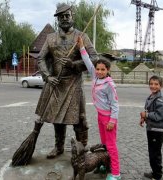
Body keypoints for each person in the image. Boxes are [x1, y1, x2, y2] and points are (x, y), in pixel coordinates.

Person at [35, 3, 98, 159]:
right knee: (57, 119)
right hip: (57, 84)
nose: (64, 18)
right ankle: (59, 147)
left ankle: (81, 149)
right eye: (61, 16)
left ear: (72, 16)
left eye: (67, 15)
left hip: (75, 84)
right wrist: (48, 76)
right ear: (58, 19)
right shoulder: (50, 38)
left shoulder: (81, 36)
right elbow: (41, 58)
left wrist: (74, 64)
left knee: (80, 119)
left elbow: (95, 58)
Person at [77, 36, 121, 180]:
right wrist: (82, 47)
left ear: (108, 70)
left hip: (108, 118)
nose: (99, 71)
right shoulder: (95, 77)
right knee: (103, 143)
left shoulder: (109, 84)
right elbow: (88, 61)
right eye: (98, 69)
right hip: (100, 116)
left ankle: (116, 173)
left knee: (111, 145)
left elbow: (115, 104)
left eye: (103, 69)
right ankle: (104, 163)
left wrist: (112, 121)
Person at [140, 75, 163, 180]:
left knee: (155, 154)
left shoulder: (160, 100)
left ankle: (157, 175)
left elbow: (160, 116)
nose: (153, 86)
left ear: (161, 86)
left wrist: (146, 115)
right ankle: (155, 172)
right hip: (151, 129)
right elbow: (147, 110)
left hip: (157, 131)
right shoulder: (152, 96)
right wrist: (143, 118)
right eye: (151, 84)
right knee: (152, 153)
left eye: (156, 84)